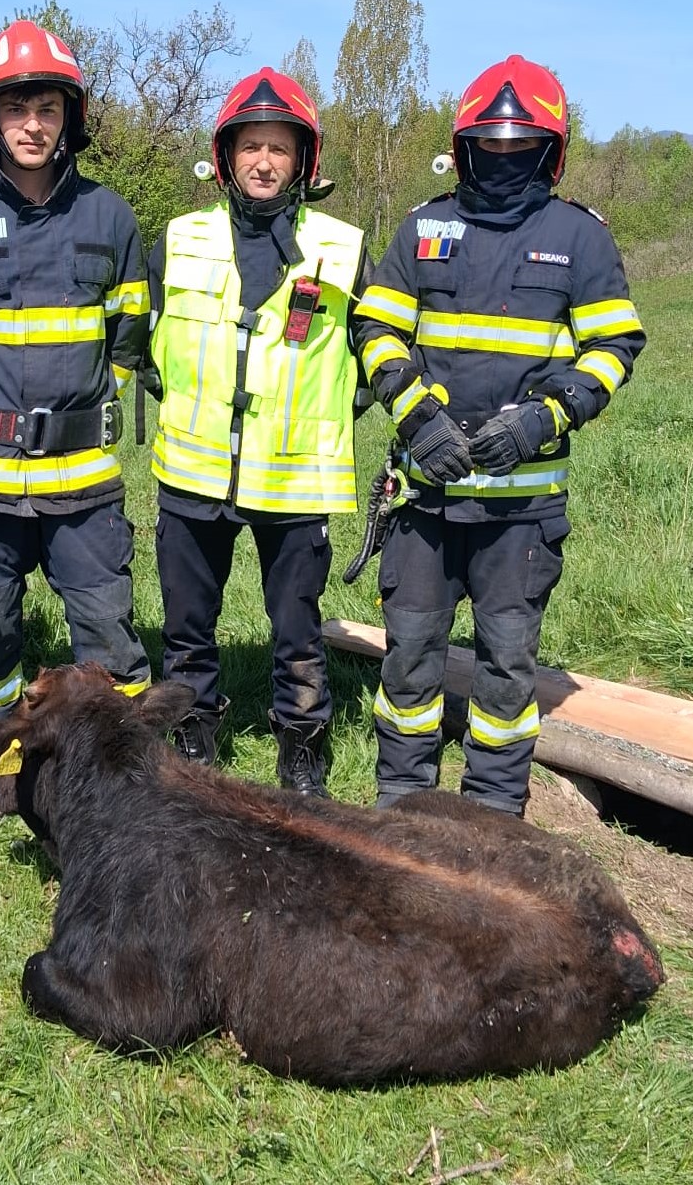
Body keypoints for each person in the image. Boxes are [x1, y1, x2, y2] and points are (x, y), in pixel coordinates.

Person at [353, 54, 645, 816]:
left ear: (551, 152)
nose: (504, 157)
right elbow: (375, 328)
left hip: (520, 514)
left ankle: (491, 819)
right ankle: (402, 812)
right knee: (409, 659)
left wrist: (543, 418)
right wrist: (415, 416)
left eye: (521, 147)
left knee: (507, 671)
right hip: (424, 503)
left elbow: (613, 346)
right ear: (463, 147)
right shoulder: (423, 226)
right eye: (490, 144)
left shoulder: (578, 237)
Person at [0, 20, 151, 819]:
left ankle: (122, 778)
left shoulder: (110, 217)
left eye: (47, 107)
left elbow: (126, 341)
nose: (32, 123)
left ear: (68, 115)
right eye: (15, 107)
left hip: (82, 482)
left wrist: (71, 420)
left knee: (108, 636)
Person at [146, 68, 370, 796]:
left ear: (302, 159)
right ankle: (192, 748)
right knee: (186, 627)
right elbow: (143, 346)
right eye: (251, 146)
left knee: (298, 633)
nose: (264, 162)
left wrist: (327, 410)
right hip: (193, 469)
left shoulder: (344, 249)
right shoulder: (178, 239)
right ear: (225, 156)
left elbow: (376, 353)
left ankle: (302, 756)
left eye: (279, 147)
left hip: (296, 474)